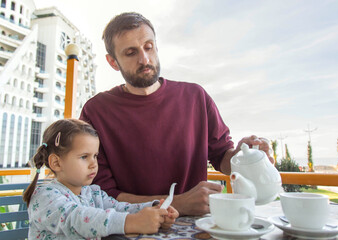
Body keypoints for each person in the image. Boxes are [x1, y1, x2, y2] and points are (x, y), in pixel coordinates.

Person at [80, 12, 274, 216]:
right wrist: (177, 204)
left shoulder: (196, 97)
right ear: (112, 62)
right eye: (130, 52)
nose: (144, 59)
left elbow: (222, 157)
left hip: (196, 227)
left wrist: (242, 156)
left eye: (149, 47)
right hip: (127, 227)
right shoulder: (95, 111)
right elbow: (100, 194)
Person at [23, 119, 178, 239]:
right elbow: (79, 219)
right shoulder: (45, 197)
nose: (94, 164)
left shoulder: (92, 193)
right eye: (84, 157)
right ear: (56, 163)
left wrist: (154, 209)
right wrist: (133, 222)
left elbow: (120, 208)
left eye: (95, 156)